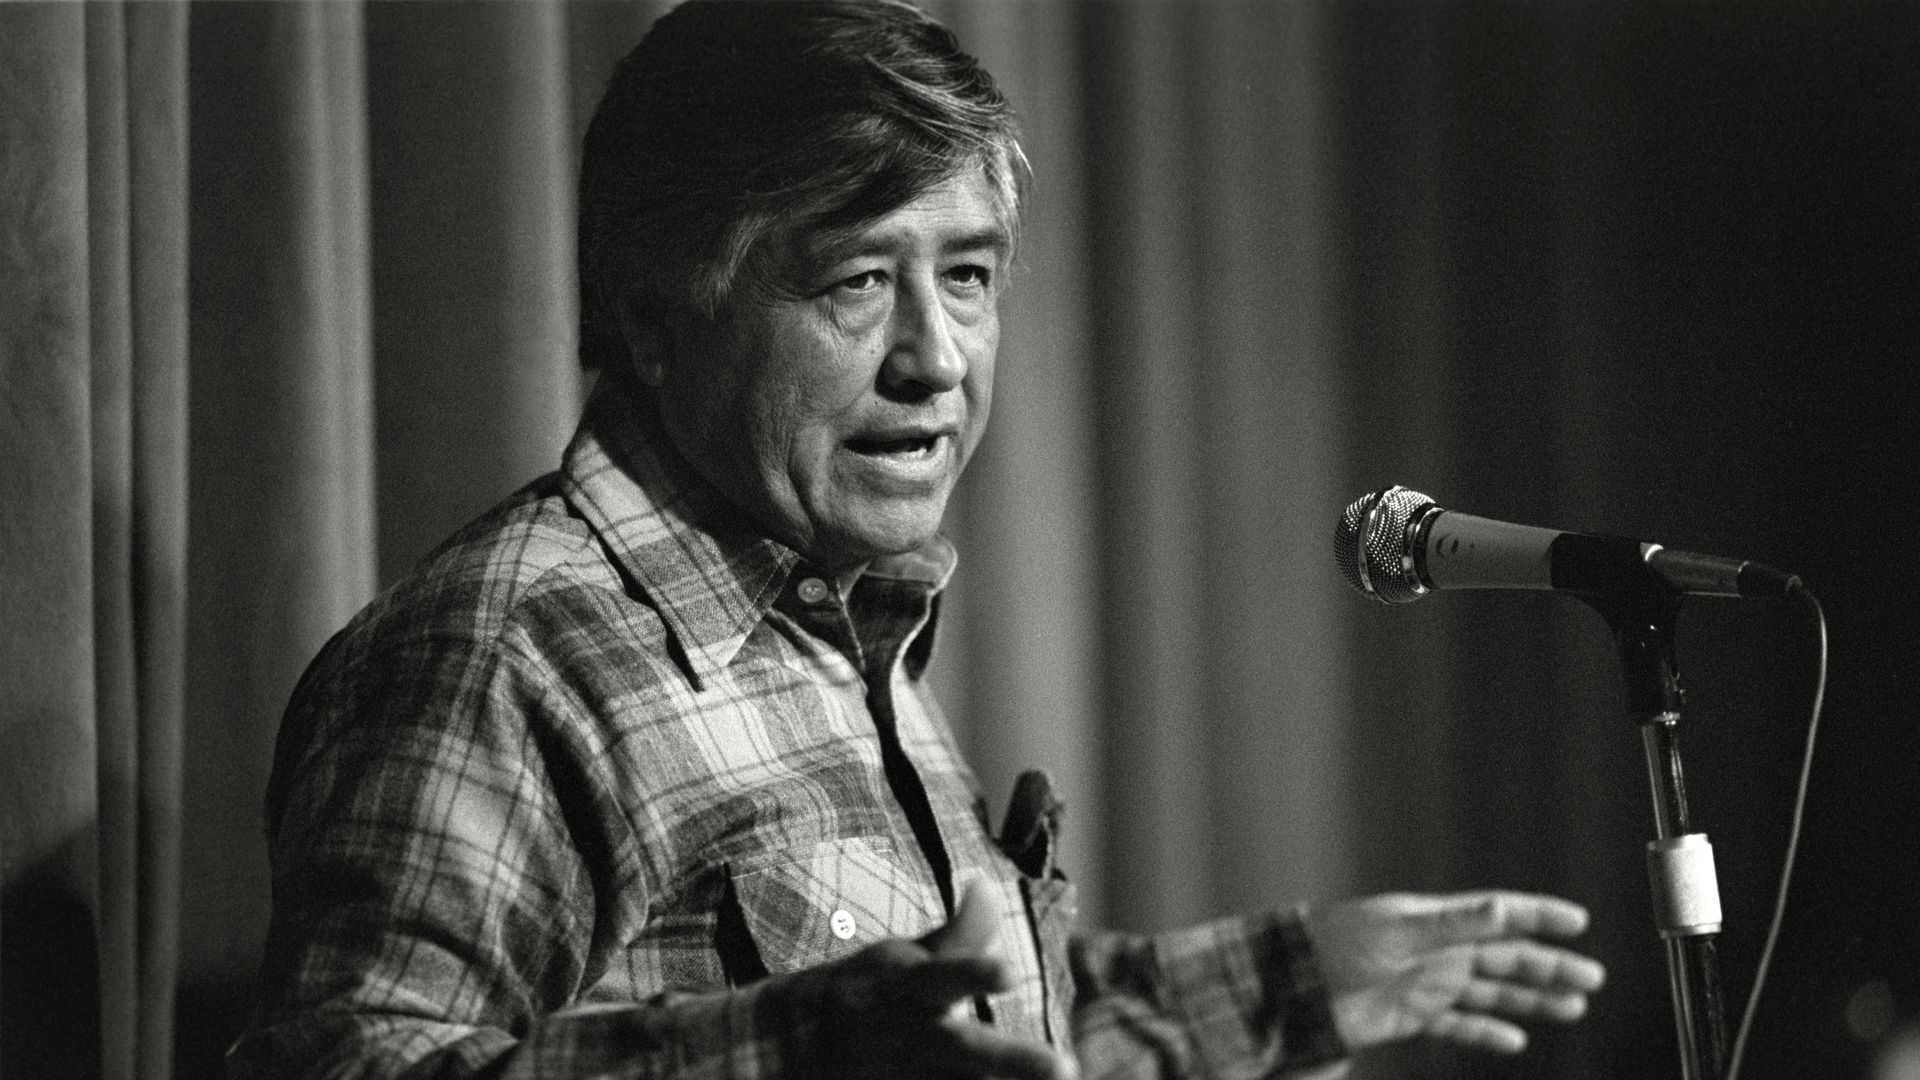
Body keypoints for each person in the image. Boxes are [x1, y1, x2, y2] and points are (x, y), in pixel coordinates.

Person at [229, 2, 1605, 1077]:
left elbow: (972, 1045)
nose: (935, 360)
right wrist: (803, 1059)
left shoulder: (834, 620)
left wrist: (1290, 984)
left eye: (968, 276)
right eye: (854, 281)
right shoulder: (496, 657)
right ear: (654, 315)